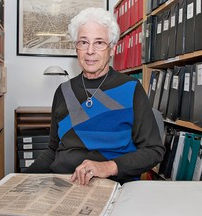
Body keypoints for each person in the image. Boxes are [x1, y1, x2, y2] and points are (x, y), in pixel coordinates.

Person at [24, 7, 165, 185]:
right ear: (76, 47)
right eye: (83, 42)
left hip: (113, 183)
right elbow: (53, 150)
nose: (90, 51)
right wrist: (21, 180)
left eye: (99, 43)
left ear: (112, 49)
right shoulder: (63, 90)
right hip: (64, 182)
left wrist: (108, 167)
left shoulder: (131, 88)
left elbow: (153, 150)